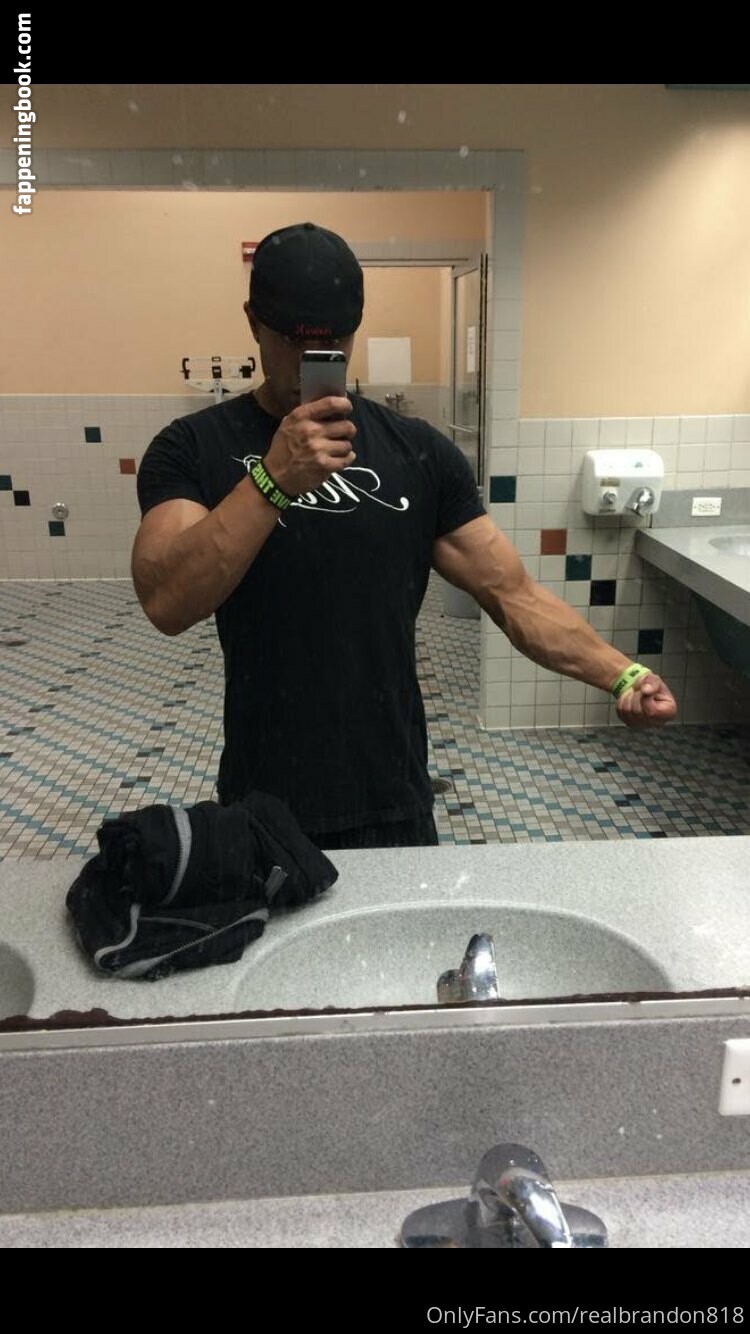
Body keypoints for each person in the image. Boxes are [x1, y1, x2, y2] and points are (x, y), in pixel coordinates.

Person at [132, 221, 677, 851]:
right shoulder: (193, 447)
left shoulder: (419, 453)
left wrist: (623, 675)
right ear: (253, 323)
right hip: (264, 795)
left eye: (332, 341)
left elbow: (514, 596)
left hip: (391, 792)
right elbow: (167, 601)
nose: (311, 360)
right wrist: (274, 479)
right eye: (293, 340)